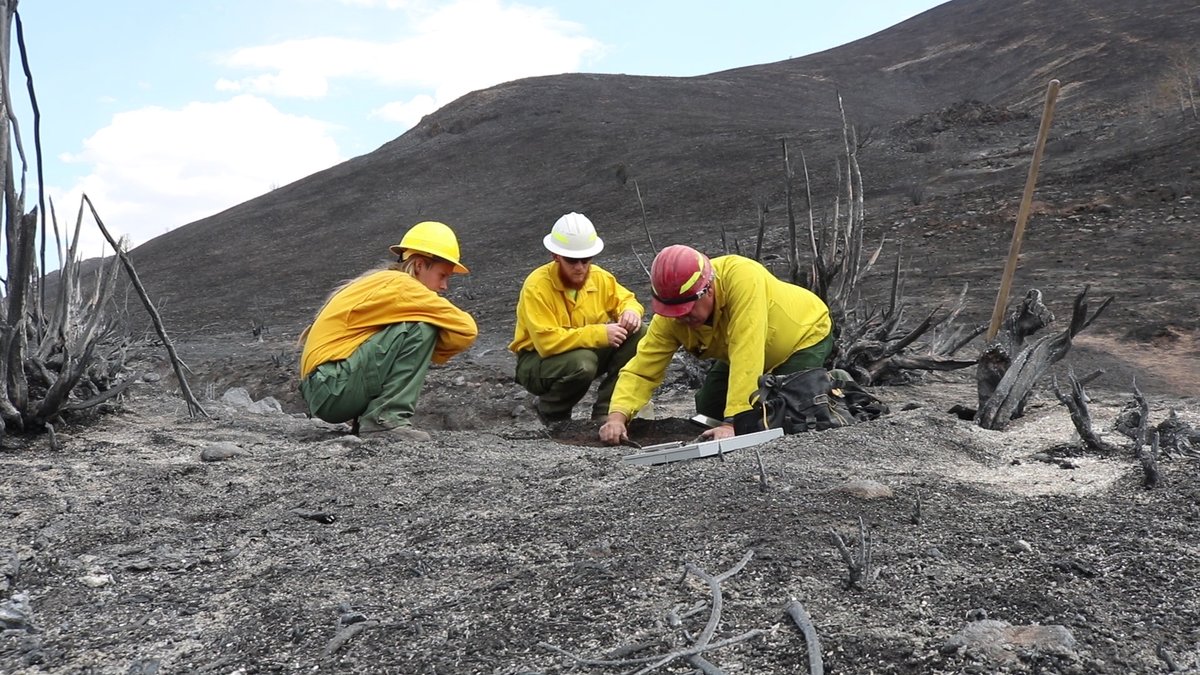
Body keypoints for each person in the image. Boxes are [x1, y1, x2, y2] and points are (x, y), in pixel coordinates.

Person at [599, 244, 833, 445]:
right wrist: (617, 417)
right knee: (708, 407)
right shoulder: (671, 314)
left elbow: (747, 348)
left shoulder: (743, 278)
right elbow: (643, 367)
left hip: (803, 336)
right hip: (743, 353)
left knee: (782, 415)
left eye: (687, 310)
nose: (681, 318)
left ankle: (835, 383)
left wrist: (733, 423)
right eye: (674, 312)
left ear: (708, 289)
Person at [299, 221, 478, 441]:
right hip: (331, 387)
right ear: (420, 265)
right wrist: (428, 347)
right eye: (443, 275)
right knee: (422, 329)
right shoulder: (402, 286)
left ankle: (370, 418)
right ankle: (383, 421)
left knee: (412, 328)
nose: (444, 286)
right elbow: (467, 330)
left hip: (324, 388)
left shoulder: (383, 282)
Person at [509, 212, 646, 424]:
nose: (580, 267)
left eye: (586, 260)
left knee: (639, 333)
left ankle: (607, 412)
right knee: (584, 363)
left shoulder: (600, 277)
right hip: (537, 363)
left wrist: (630, 312)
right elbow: (547, 343)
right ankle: (553, 412)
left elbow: (626, 299)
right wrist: (600, 333)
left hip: (582, 353)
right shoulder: (536, 287)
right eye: (572, 260)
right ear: (555, 256)